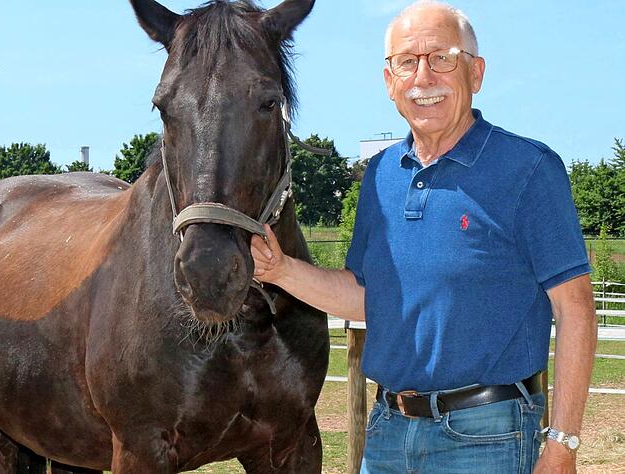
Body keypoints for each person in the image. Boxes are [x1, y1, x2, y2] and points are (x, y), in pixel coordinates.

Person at [251, 1, 597, 472]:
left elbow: (574, 308)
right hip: (388, 434)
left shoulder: (529, 169)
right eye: (407, 62)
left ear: (475, 73)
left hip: (488, 434)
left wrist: (562, 444)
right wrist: (280, 269)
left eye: (441, 58)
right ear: (389, 81)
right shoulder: (380, 176)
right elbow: (368, 298)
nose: (423, 77)